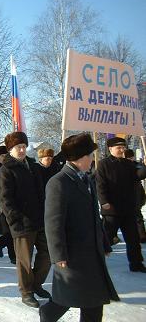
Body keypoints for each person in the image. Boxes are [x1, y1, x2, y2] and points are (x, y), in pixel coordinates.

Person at [41, 133, 119, 322]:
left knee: (93, 300)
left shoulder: (87, 179)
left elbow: (94, 216)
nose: (93, 159)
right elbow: (53, 222)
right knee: (67, 297)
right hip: (72, 254)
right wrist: (58, 254)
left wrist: (104, 243)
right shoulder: (58, 182)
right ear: (81, 157)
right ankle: (48, 314)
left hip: (91, 252)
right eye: (90, 155)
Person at [0, 131, 50, 308]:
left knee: (48, 254)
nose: (21, 150)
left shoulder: (33, 167)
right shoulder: (5, 171)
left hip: (40, 220)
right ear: (10, 150)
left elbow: (42, 193)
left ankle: (36, 283)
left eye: (23, 147)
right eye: (17, 147)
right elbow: (5, 200)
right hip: (21, 223)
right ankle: (26, 292)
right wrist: (15, 220)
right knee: (25, 261)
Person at [96, 137, 146, 272]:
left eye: (123, 148)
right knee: (105, 238)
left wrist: (145, 166)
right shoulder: (103, 164)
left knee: (133, 239)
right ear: (110, 149)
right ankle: (96, 263)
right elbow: (100, 185)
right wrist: (104, 202)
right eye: (119, 148)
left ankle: (136, 263)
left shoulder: (128, 164)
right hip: (111, 209)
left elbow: (139, 175)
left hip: (128, 209)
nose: (122, 150)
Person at [0, 146, 16, 264]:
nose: (4, 157)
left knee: (11, 232)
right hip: (1, 206)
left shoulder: (8, 168)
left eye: (6, 155)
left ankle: (1, 243)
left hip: (8, 204)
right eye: (1, 156)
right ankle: (12, 255)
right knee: (10, 232)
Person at [124, 149, 146, 244]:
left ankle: (142, 236)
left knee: (137, 216)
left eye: (130, 157)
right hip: (125, 195)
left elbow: (141, 174)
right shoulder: (121, 165)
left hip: (136, 195)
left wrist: (145, 165)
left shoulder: (136, 166)